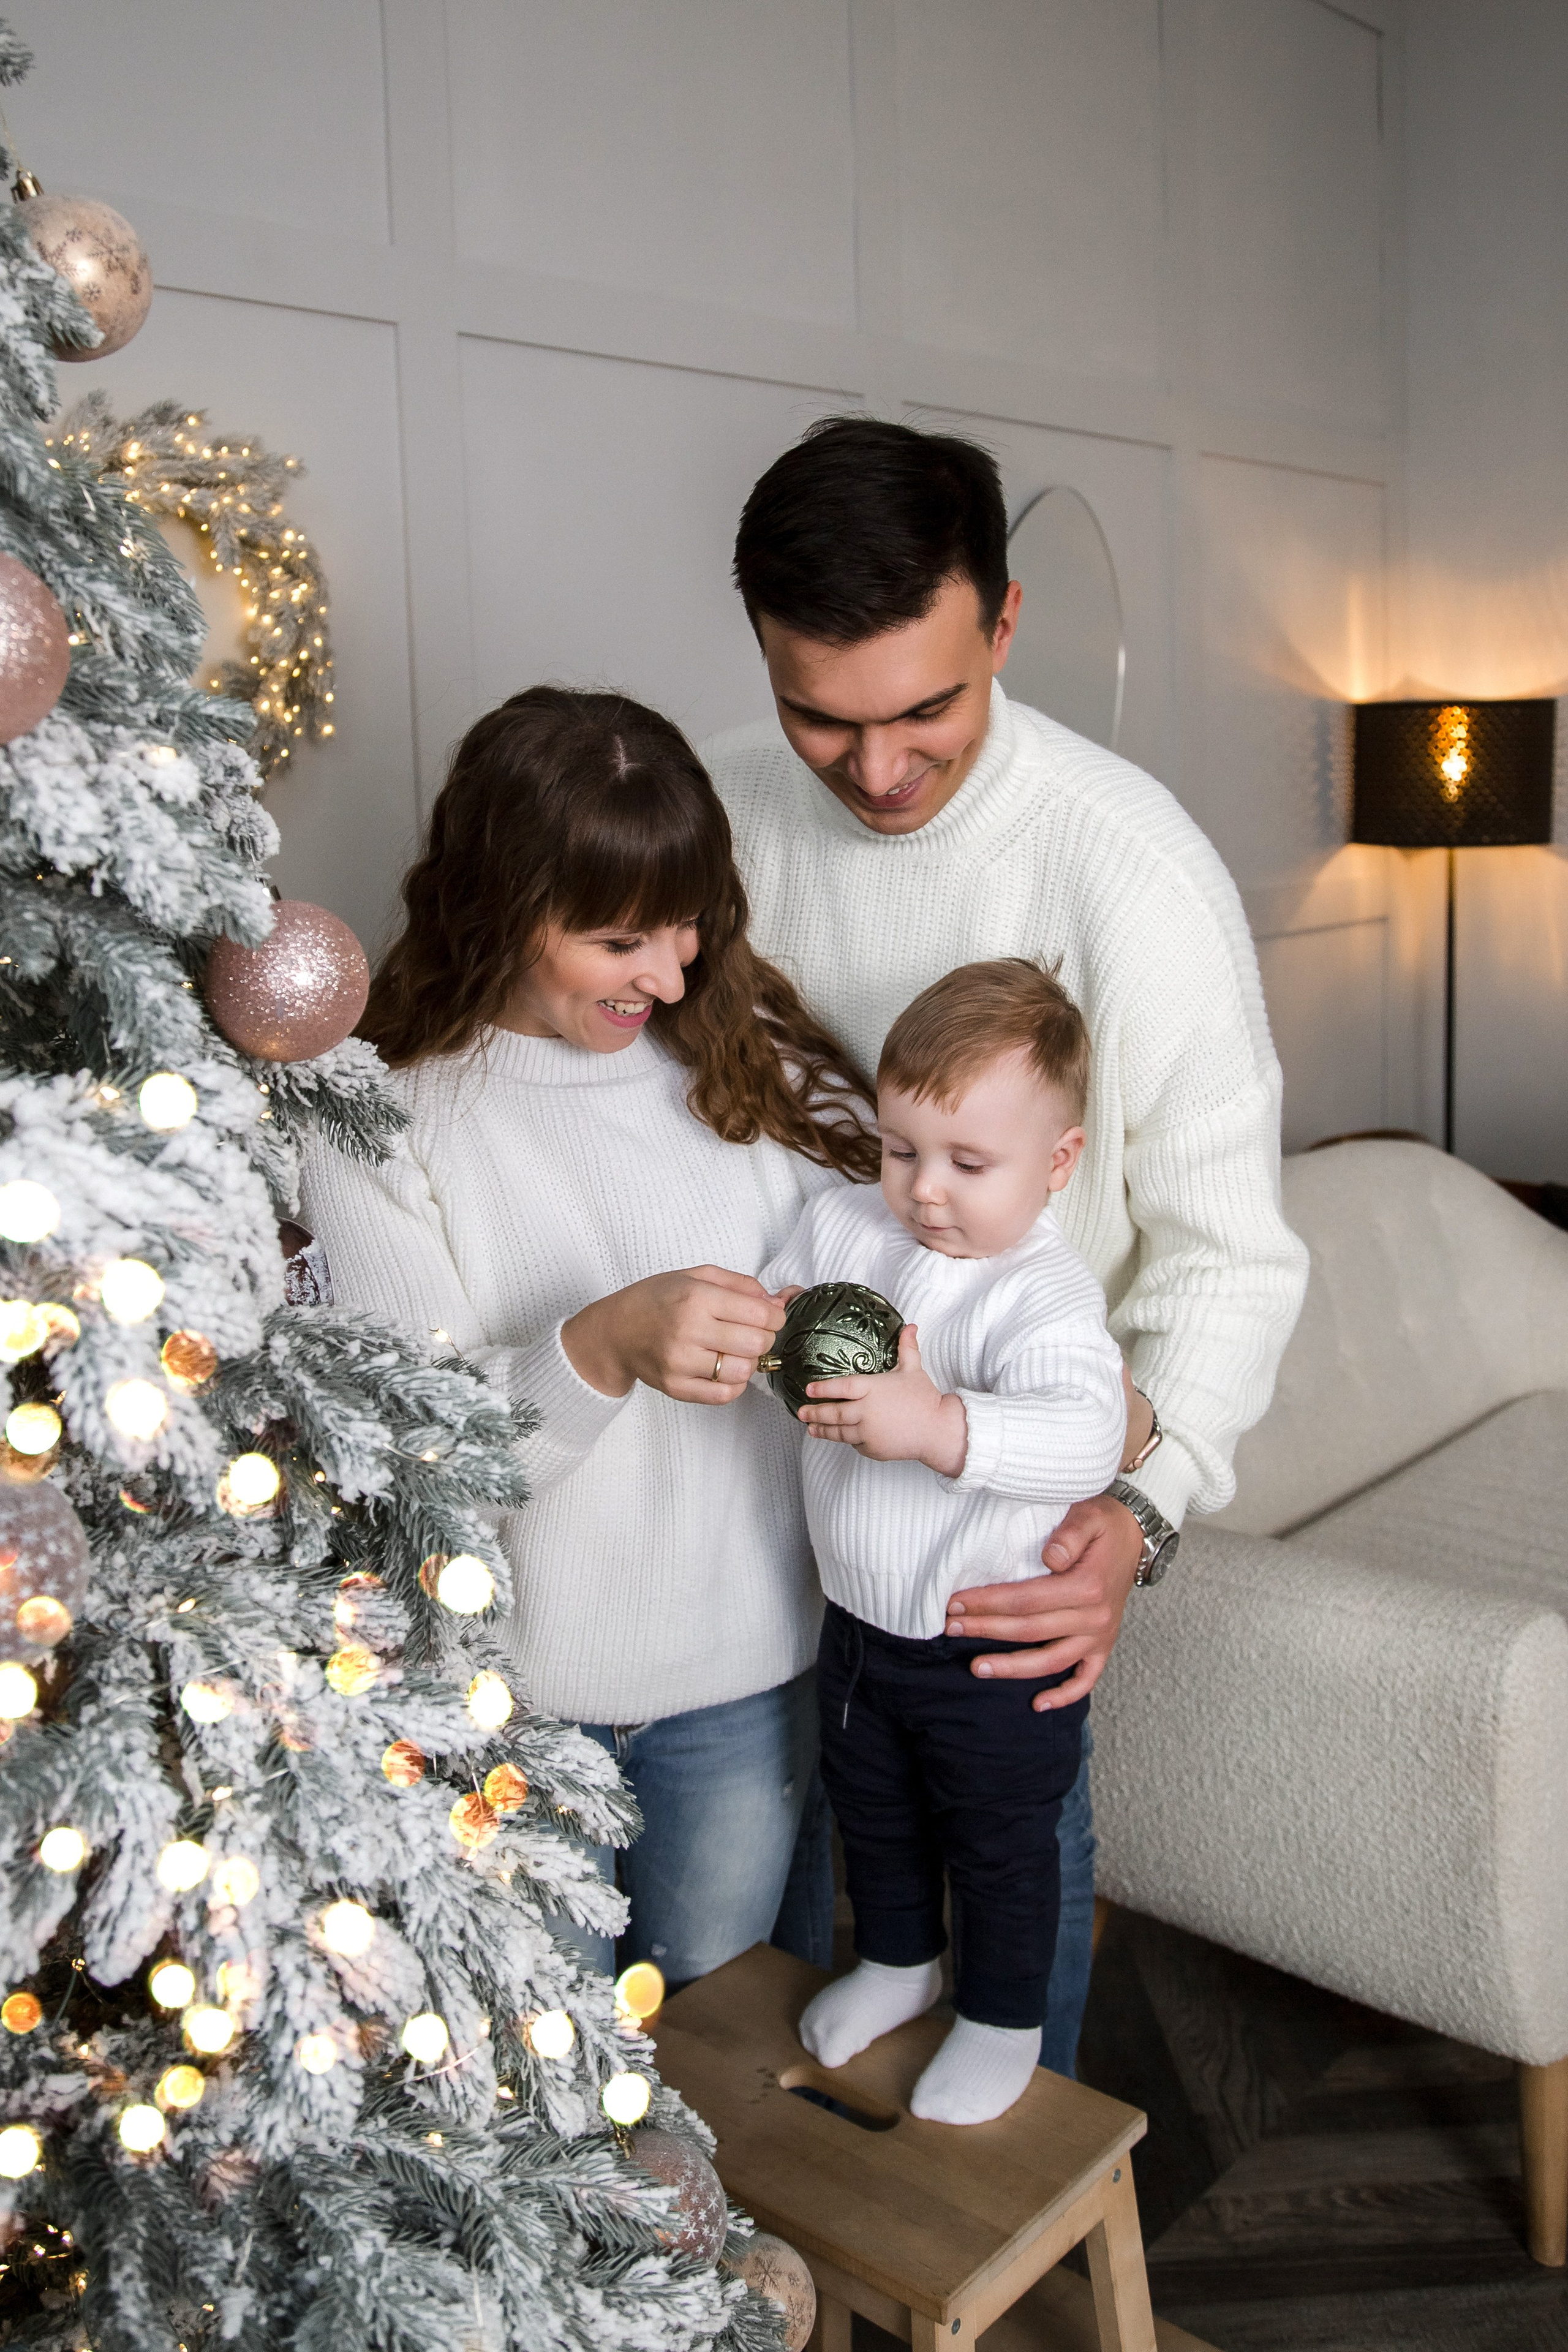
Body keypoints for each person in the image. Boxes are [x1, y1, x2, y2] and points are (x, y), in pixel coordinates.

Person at [704, 416, 1310, 2074]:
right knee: (791, 1947)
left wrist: (1139, 1513)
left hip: (1004, 1533)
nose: (877, 771)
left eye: (925, 710)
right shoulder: (720, 821)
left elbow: (1228, 1259)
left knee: (1004, 1875)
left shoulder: (1133, 871)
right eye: (819, 717)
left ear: (1006, 622)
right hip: (765, 1523)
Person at [299, 685, 881, 1989]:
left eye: (688, 924)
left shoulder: (751, 1062)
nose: (669, 975)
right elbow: (421, 1473)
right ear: (507, 910)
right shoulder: (381, 1122)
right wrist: (602, 1349)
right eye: (619, 939)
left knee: (727, 2069)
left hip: (750, 1684)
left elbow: (910, 1272)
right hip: (506, 1720)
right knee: (540, 2094)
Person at [763, 960, 1125, 2124]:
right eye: (900, 1148)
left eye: (969, 1165)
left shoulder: (1043, 1295)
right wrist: (762, 1332)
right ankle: (897, 1961)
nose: (924, 1190)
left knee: (1000, 1844)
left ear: (1057, 1163)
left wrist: (939, 1428)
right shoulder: (844, 1222)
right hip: (859, 1624)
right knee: (872, 1811)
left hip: (988, 1645)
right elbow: (781, 1307)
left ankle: (1004, 2019)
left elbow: (1088, 1434)